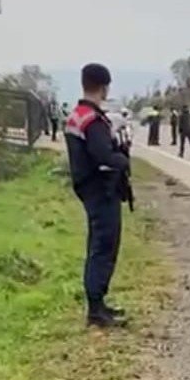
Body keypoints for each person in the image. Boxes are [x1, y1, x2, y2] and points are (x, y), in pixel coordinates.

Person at [64, 63, 132, 329]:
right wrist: (122, 158)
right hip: (101, 190)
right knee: (104, 248)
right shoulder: (92, 120)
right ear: (104, 87)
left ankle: (99, 305)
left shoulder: (78, 115)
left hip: (90, 188)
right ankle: (96, 309)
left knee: (99, 246)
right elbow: (104, 156)